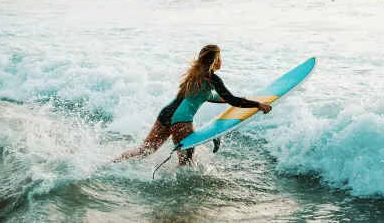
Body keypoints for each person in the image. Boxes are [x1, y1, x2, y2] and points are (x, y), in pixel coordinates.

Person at [115, 45, 272, 166]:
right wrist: (258, 105)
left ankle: (115, 163)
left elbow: (211, 97)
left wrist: (242, 99)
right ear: (216, 60)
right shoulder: (212, 78)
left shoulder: (193, 77)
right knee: (186, 164)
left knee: (144, 151)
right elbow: (231, 100)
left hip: (166, 114)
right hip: (181, 120)